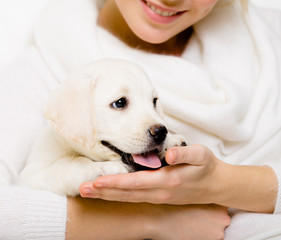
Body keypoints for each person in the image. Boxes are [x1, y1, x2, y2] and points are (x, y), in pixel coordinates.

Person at [0, 0, 281, 239]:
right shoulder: (40, 74)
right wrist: (152, 219)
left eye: (155, 103)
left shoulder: (272, 36)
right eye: (120, 103)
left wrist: (223, 182)